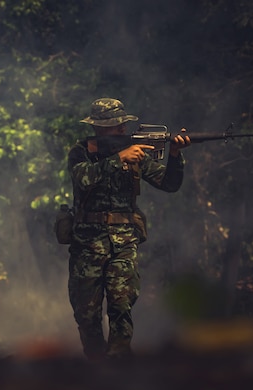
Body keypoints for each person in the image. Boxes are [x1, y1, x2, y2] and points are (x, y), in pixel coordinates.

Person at [67, 98, 191, 361]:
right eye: (115, 126)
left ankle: (118, 364)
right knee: (86, 314)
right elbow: (83, 178)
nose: (121, 130)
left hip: (123, 243)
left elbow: (169, 184)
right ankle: (96, 364)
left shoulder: (137, 154)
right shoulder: (81, 151)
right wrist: (118, 159)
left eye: (121, 125)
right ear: (99, 129)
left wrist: (175, 156)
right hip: (87, 244)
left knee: (121, 308)